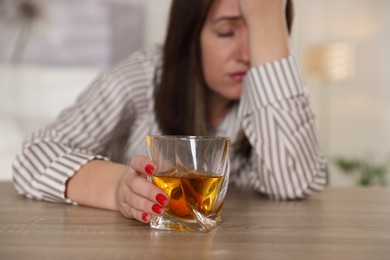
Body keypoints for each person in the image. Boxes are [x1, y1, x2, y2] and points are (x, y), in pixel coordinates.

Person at [12, 0, 327, 224]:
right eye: (227, 33)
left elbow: (294, 184)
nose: (247, 55)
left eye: (262, 35)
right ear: (189, 36)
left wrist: (267, 16)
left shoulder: (277, 94)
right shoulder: (139, 78)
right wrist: (118, 188)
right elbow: (32, 157)